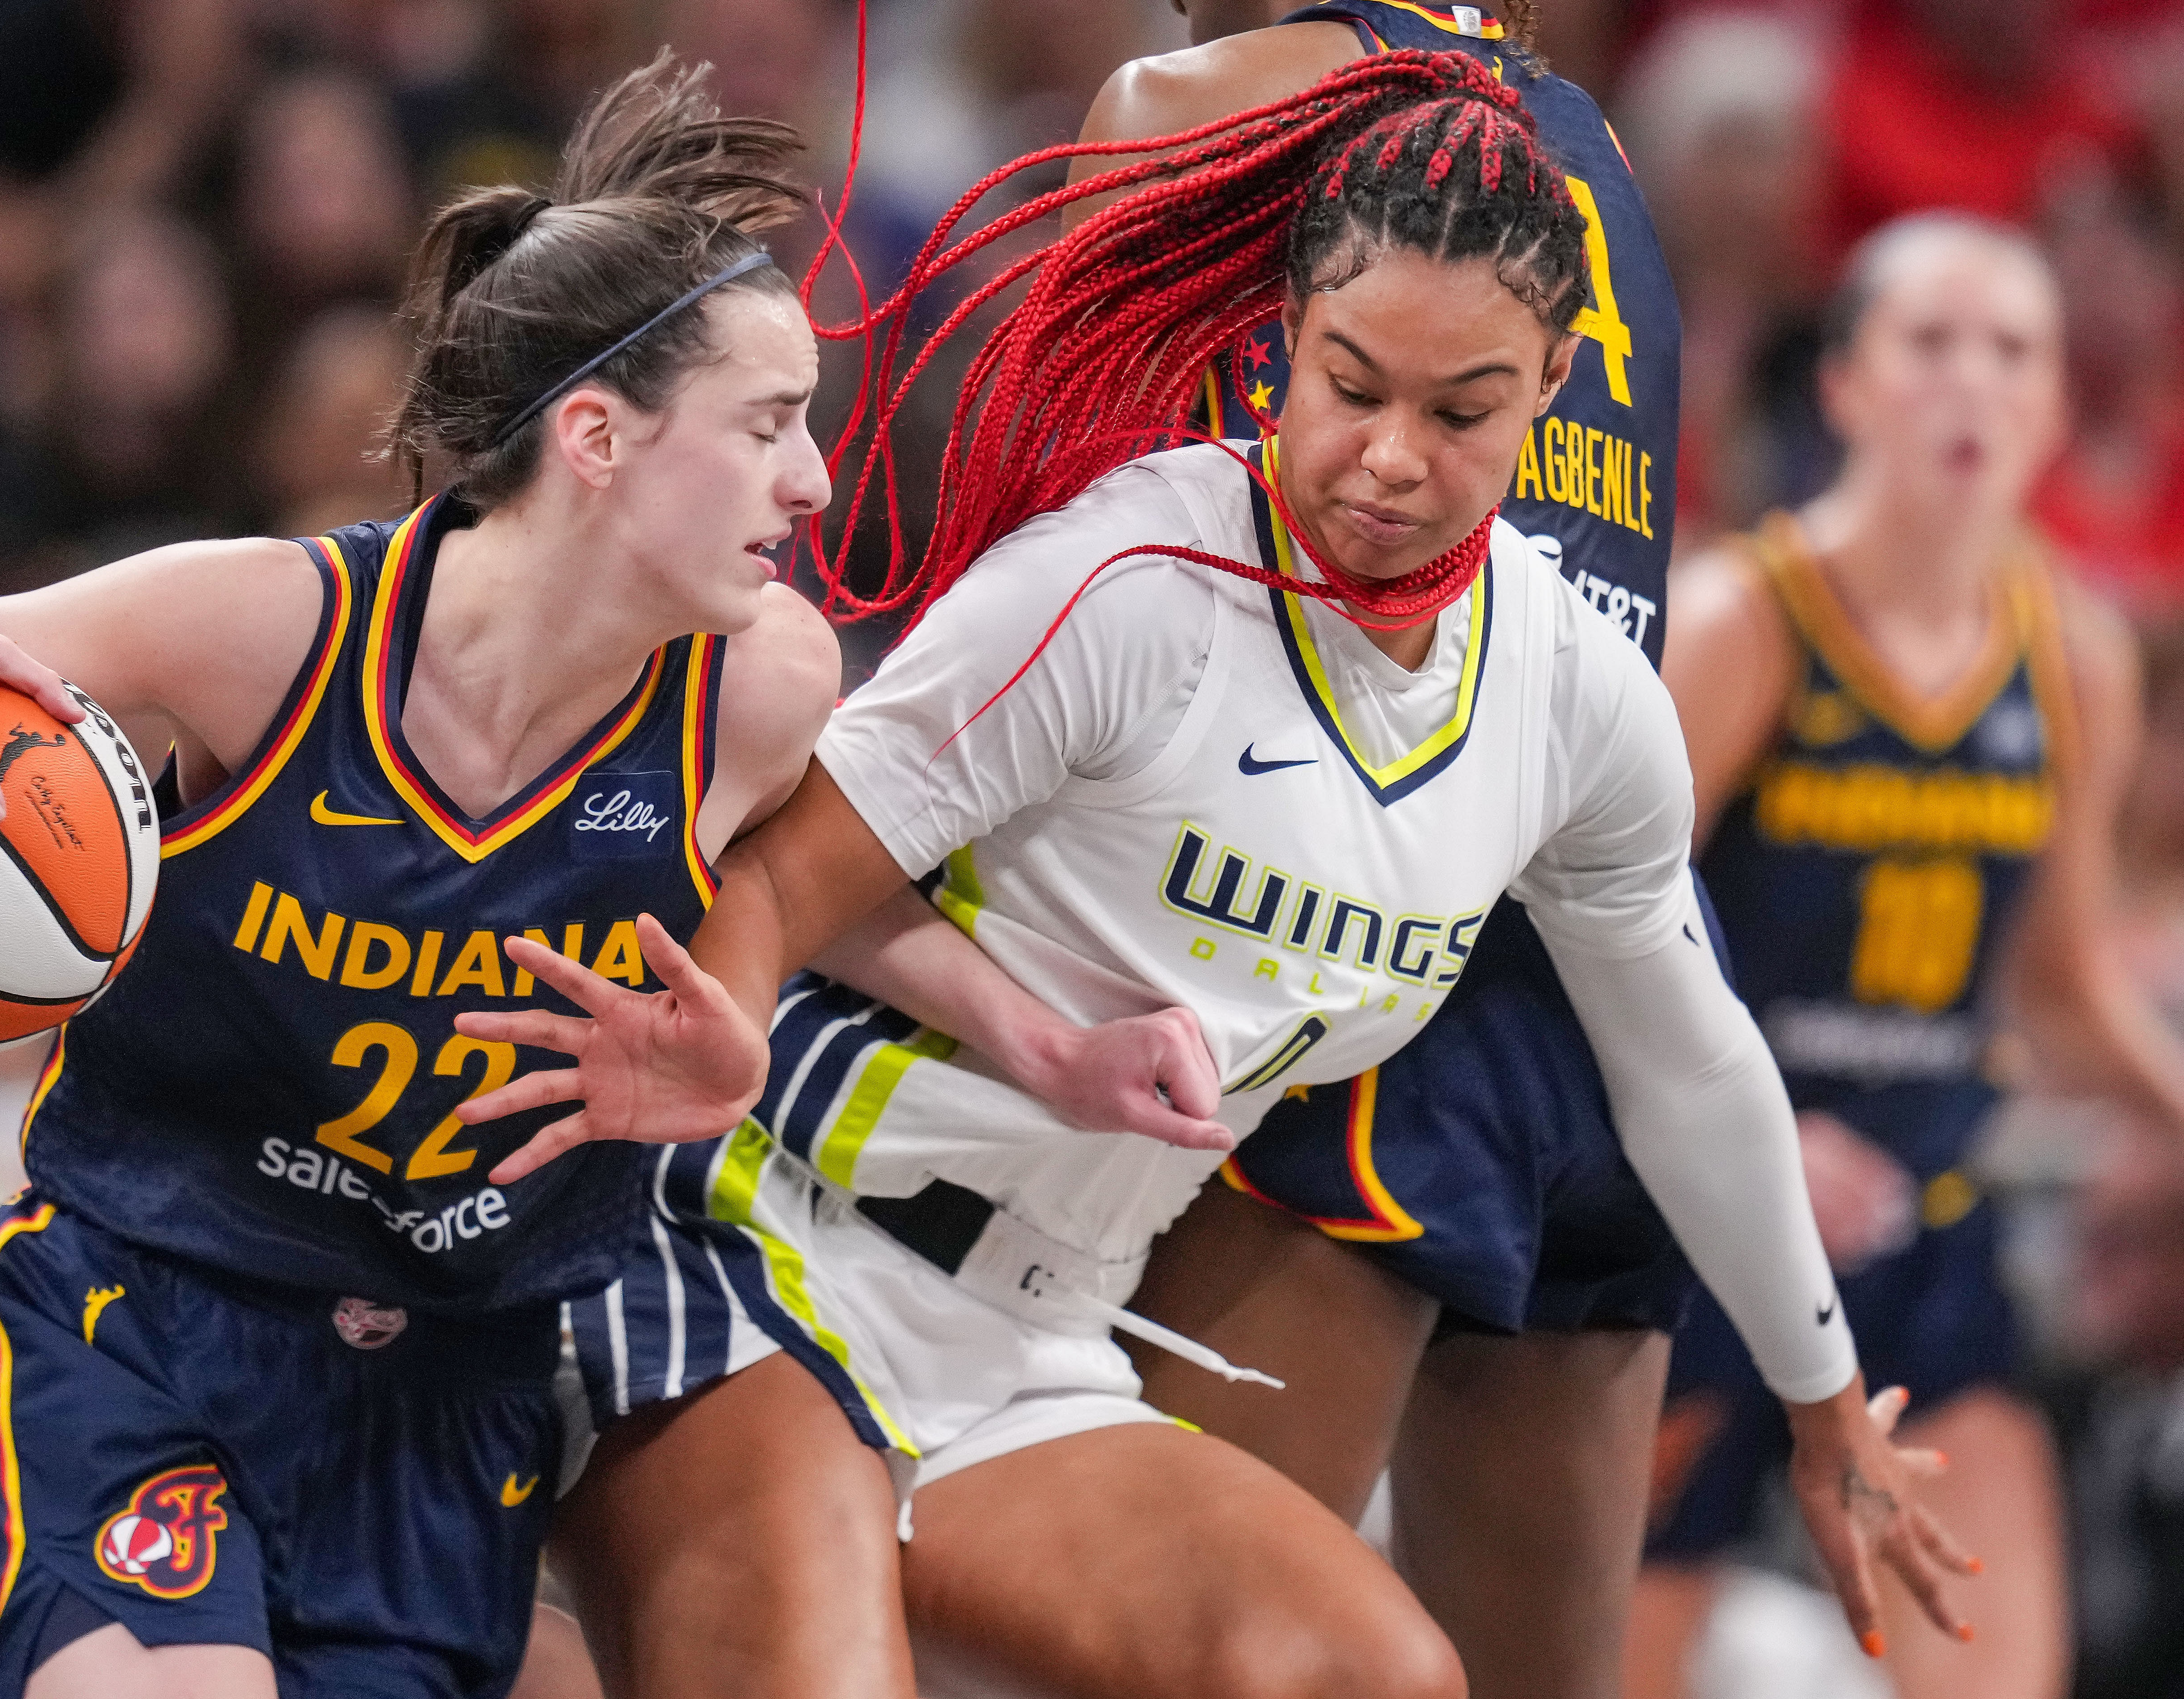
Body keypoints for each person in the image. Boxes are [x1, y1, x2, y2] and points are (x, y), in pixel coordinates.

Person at [458, 47, 1965, 1699]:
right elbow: (764, 876)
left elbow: (1684, 1056)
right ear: (1279, 352)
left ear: (1549, 389)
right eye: (1349, 384)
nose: (1388, 456)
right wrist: (728, 1022)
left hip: (1033, 1343)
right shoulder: (1131, 577)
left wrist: (1825, 1414)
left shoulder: (1567, 688)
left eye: (1459, 411)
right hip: (760, 1256)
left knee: (1377, 1676)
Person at [0, 58, 895, 1699]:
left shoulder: (758, 689)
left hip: (444, 1393)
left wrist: (917, 1030)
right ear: (598, 436)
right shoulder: (267, 631)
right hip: (137, 1326)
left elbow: (824, 877)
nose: (812, 478)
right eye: (768, 425)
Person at [1629, 213, 2184, 1699]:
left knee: (2004, 1670)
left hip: (1920, 1242)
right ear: (1848, 387)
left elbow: (2055, 987)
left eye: (2012, 351)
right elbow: (1589, 938)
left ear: (2057, 405)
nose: (1973, 384)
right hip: (1702, 1239)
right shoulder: (1744, 617)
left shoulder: (2072, 650)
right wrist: (1749, 1130)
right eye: (1929, 343)